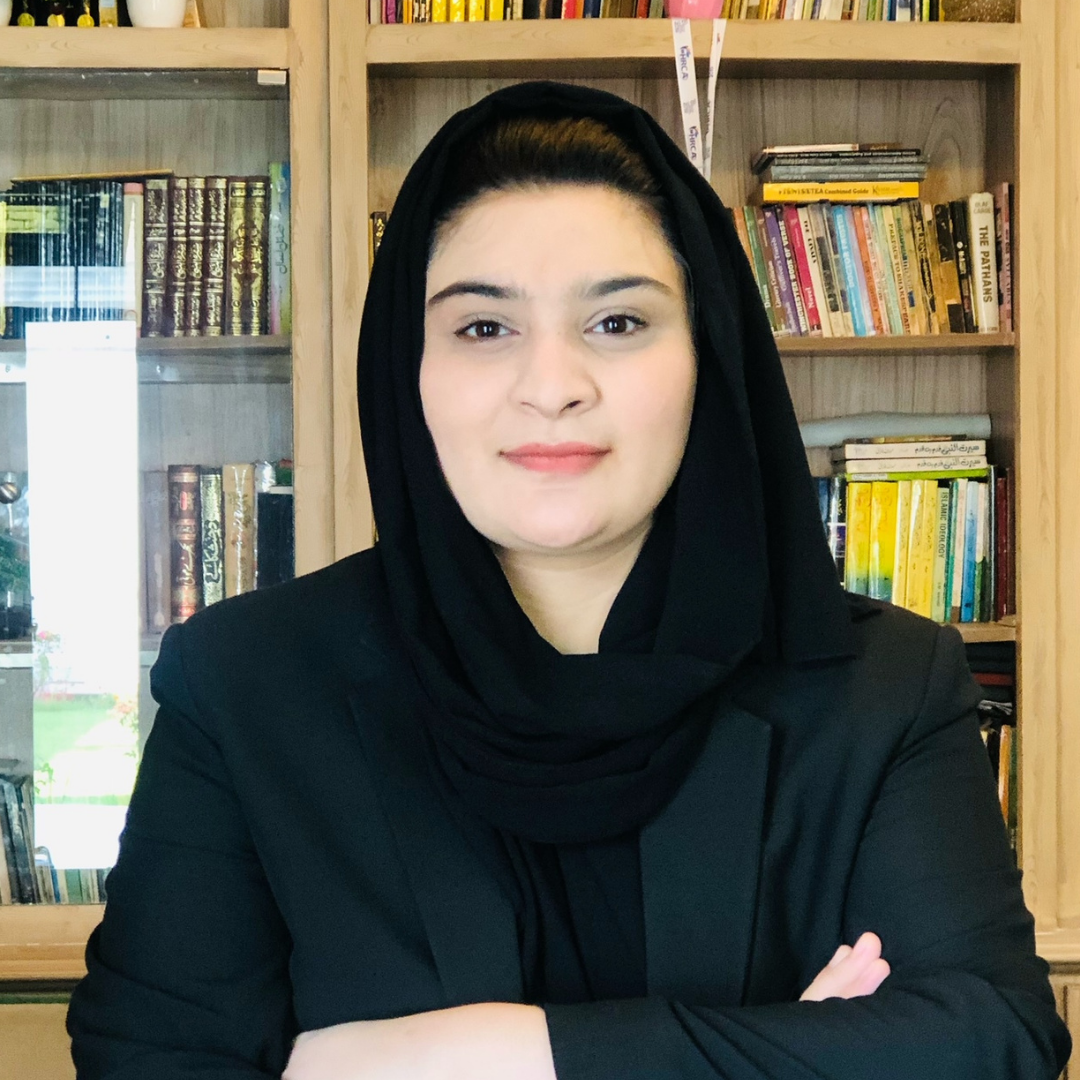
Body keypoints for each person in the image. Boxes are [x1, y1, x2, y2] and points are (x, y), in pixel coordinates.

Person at [67, 81, 1071, 1080]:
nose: (552, 387)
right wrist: (779, 1054)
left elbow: (993, 1043)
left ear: (708, 354)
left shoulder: (882, 687)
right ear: (405, 371)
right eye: (484, 328)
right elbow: (150, 1063)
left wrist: (486, 1053)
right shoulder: (244, 686)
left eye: (618, 322)